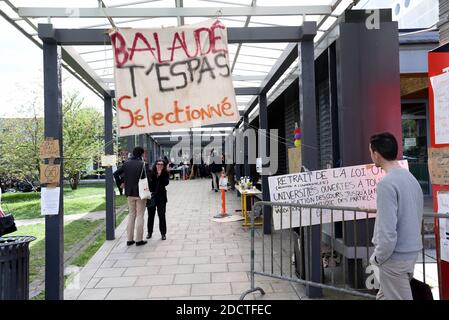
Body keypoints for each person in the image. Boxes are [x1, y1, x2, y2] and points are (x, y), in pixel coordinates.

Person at [368, 132, 423, 300]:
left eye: (371, 152)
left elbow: (387, 230)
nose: (371, 156)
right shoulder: (410, 178)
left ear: (376, 154)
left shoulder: (386, 184)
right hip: (410, 252)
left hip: (394, 257)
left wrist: (378, 257)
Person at [113, 147, 150, 247]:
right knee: (140, 216)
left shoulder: (126, 163)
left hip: (129, 193)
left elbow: (116, 174)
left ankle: (129, 240)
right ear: (141, 154)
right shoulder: (143, 164)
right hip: (141, 193)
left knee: (131, 215)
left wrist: (121, 184)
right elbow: (148, 178)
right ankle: (138, 240)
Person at [146, 159, 170, 240]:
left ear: (164, 166)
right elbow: (149, 183)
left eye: (162, 164)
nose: (160, 165)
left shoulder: (165, 173)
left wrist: (160, 175)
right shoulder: (150, 172)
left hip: (161, 197)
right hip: (152, 196)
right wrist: (156, 176)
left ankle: (163, 233)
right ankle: (149, 232)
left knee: (162, 215)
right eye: (158, 164)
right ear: (155, 165)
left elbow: (166, 183)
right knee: (150, 216)